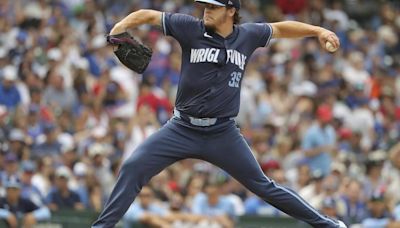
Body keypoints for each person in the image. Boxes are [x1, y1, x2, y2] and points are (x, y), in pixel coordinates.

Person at [92, 0, 346, 227]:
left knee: (264, 186)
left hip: (222, 133)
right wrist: (118, 28)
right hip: (181, 128)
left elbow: (280, 28)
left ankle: (328, 225)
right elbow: (147, 15)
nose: (206, 10)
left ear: (231, 10)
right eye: (205, 5)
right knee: (133, 167)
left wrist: (318, 31)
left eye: (213, 6)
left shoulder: (248, 35)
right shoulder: (190, 27)